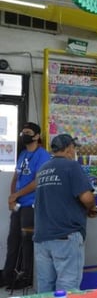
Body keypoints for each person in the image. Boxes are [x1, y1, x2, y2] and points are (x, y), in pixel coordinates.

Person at [33, 134, 97, 292]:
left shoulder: (42, 169)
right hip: (65, 235)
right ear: (69, 149)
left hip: (42, 238)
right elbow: (87, 197)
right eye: (74, 148)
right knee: (67, 288)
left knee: (45, 289)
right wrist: (92, 208)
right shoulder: (72, 166)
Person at [1, 122, 51, 289]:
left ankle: (26, 276)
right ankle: (8, 275)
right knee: (13, 240)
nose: (24, 135)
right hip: (19, 205)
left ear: (36, 136)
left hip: (32, 205)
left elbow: (37, 181)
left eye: (28, 132)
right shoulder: (22, 154)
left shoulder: (43, 155)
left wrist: (17, 195)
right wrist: (12, 197)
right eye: (22, 132)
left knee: (27, 241)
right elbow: (16, 177)